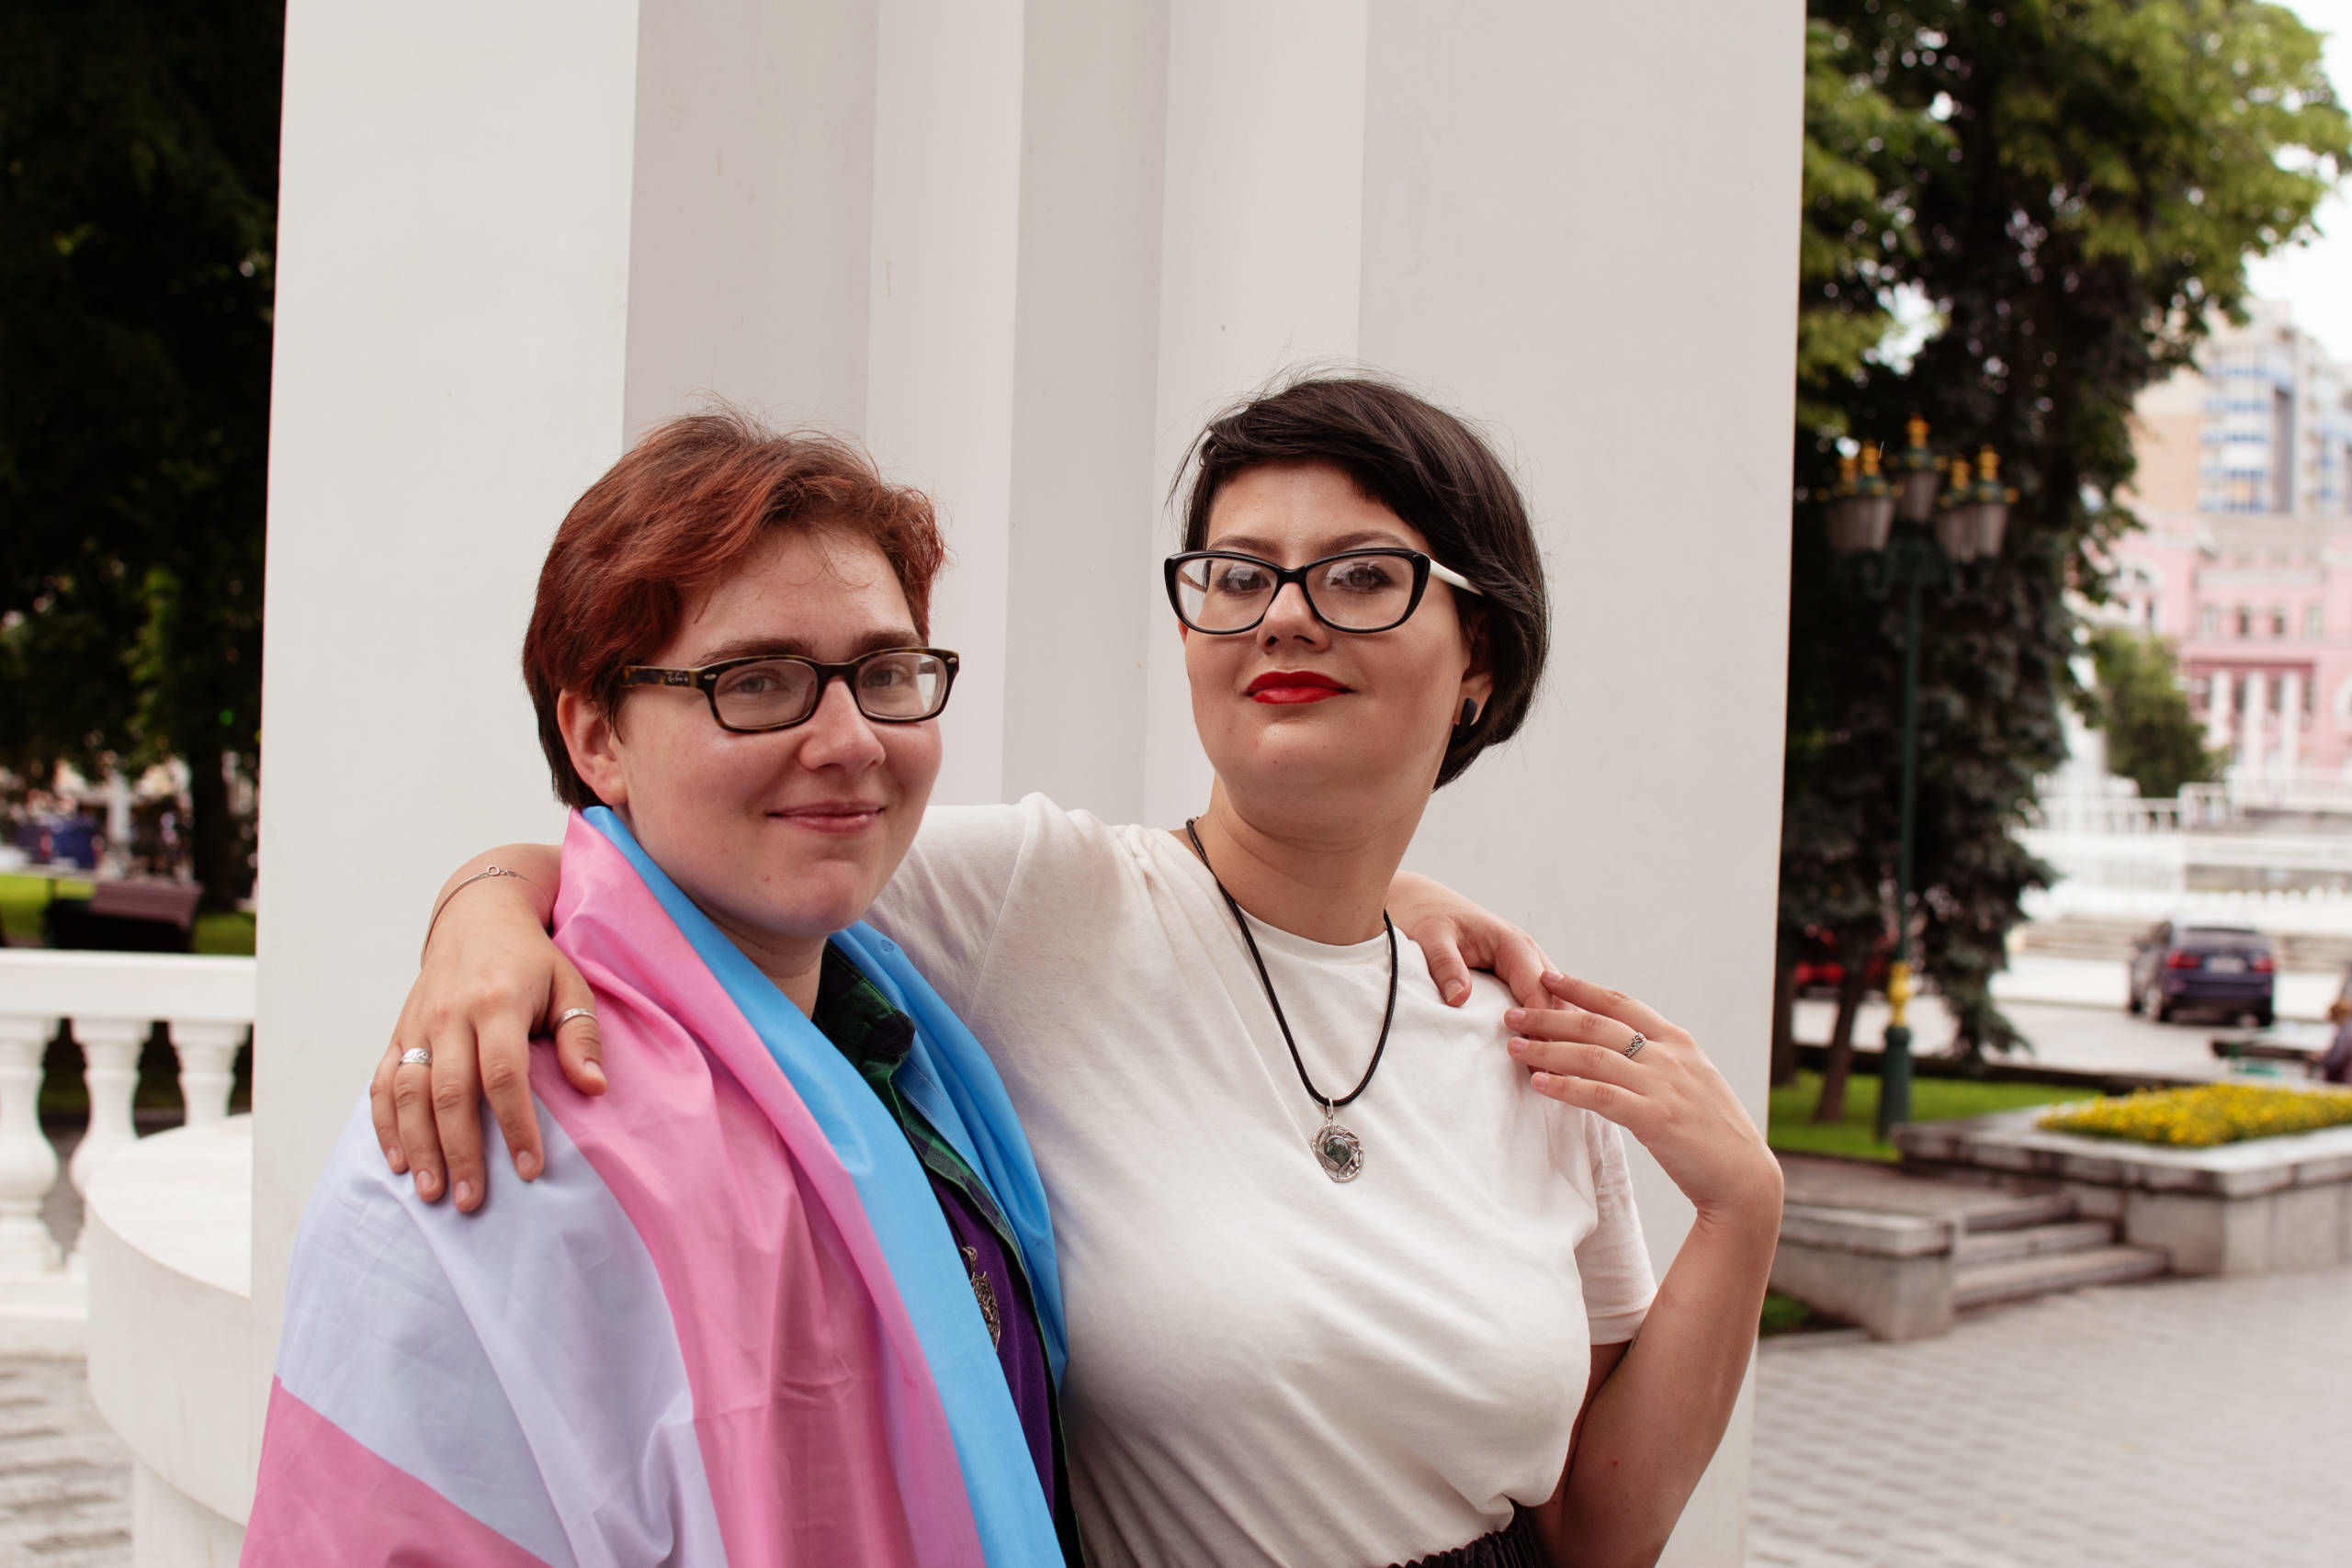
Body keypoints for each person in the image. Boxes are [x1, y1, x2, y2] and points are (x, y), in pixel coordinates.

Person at [383, 377, 1784, 1568]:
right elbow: (675, 841)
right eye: (1235, 574)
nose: (1284, 615)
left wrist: (1743, 1202)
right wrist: (484, 912)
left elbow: (1598, 1529)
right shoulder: (1036, 902)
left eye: (1362, 574)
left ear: (1479, 657)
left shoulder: (1528, 1040)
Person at [244, 421, 1084, 1565]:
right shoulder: (490, 1126)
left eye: (885, 673)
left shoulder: (902, 1029)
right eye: (758, 681)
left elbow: (1230, 870)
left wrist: (1406, 899)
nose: (848, 740)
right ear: (597, 736)